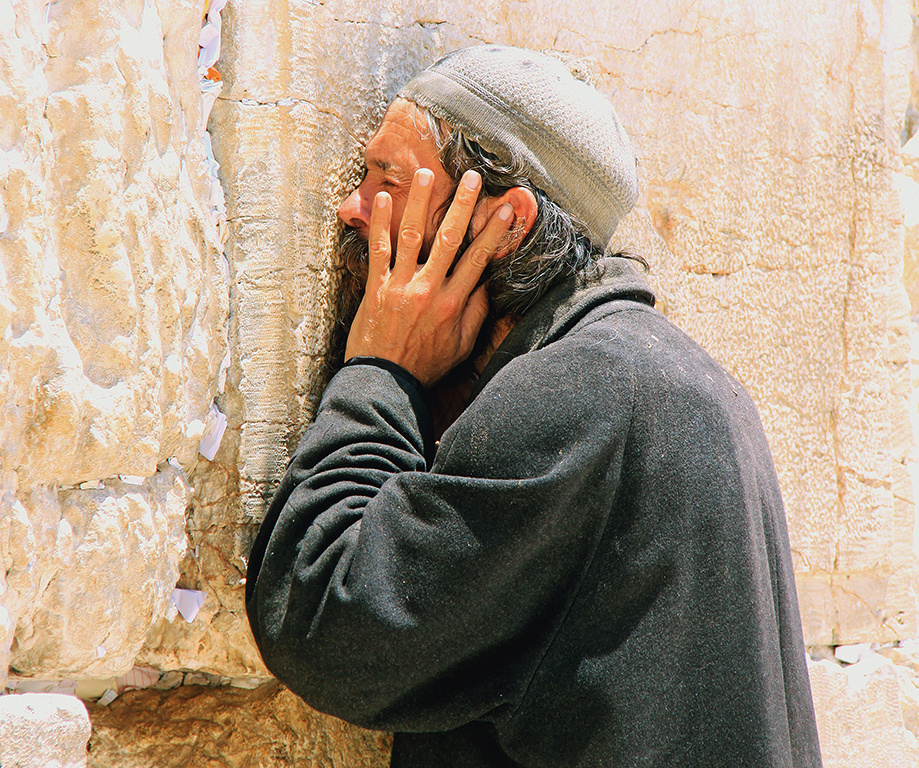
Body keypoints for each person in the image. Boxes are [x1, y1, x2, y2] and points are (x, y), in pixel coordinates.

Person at [246, 45, 822, 767]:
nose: (351, 207)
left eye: (386, 181)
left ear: (509, 222)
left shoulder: (580, 391)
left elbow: (326, 625)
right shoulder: (662, 372)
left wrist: (381, 371)